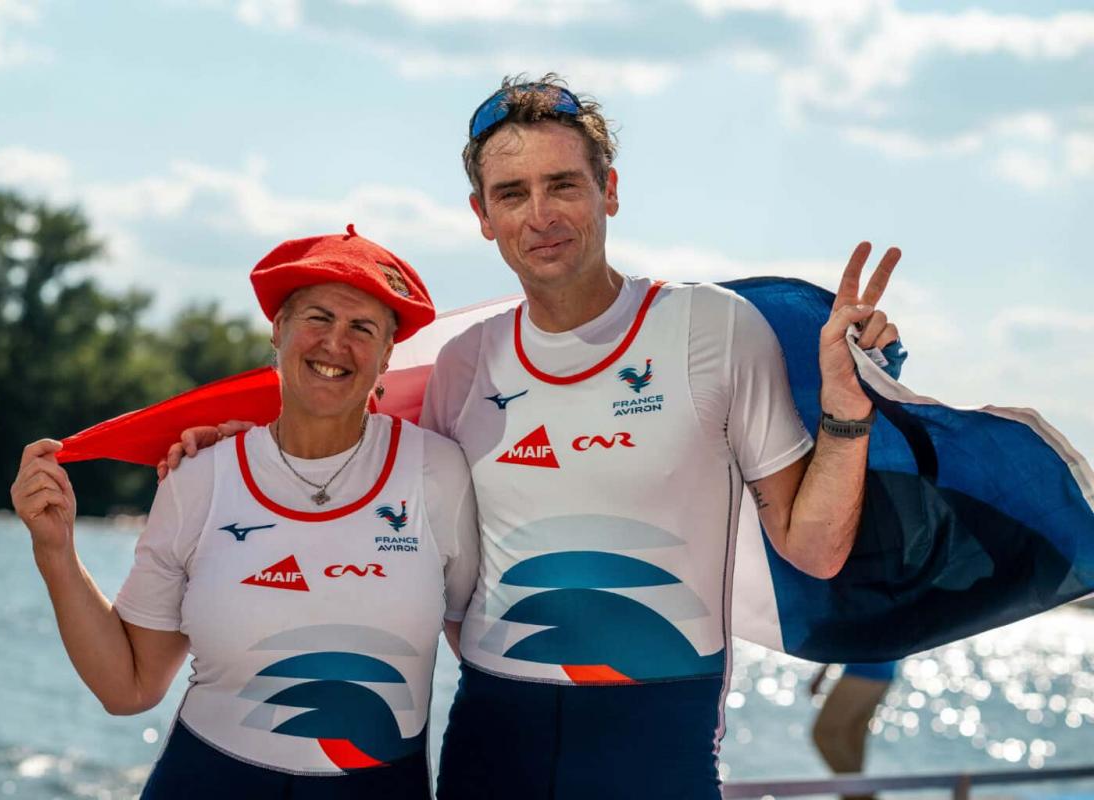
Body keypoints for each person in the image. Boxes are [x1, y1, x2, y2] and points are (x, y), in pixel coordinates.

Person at [164, 76, 903, 799]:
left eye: (564, 185)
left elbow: (814, 549)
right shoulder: (463, 364)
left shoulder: (712, 330)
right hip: (494, 735)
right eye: (512, 194)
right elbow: (367, 481)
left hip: (655, 736)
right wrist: (244, 452)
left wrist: (846, 414)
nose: (540, 214)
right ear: (483, 215)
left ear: (609, 190)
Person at [10, 226, 479, 799]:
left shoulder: (439, 472)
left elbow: (485, 658)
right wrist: (56, 553)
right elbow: (128, 687)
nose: (336, 343)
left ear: (387, 356)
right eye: (317, 318)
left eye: (362, 328)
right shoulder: (200, 476)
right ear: (278, 332)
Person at [809, 662, 900, 800]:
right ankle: (857, 793)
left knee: (824, 734)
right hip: (884, 666)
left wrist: (823, 672)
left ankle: (863, 794)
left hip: (864, 667)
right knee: (851, 740)